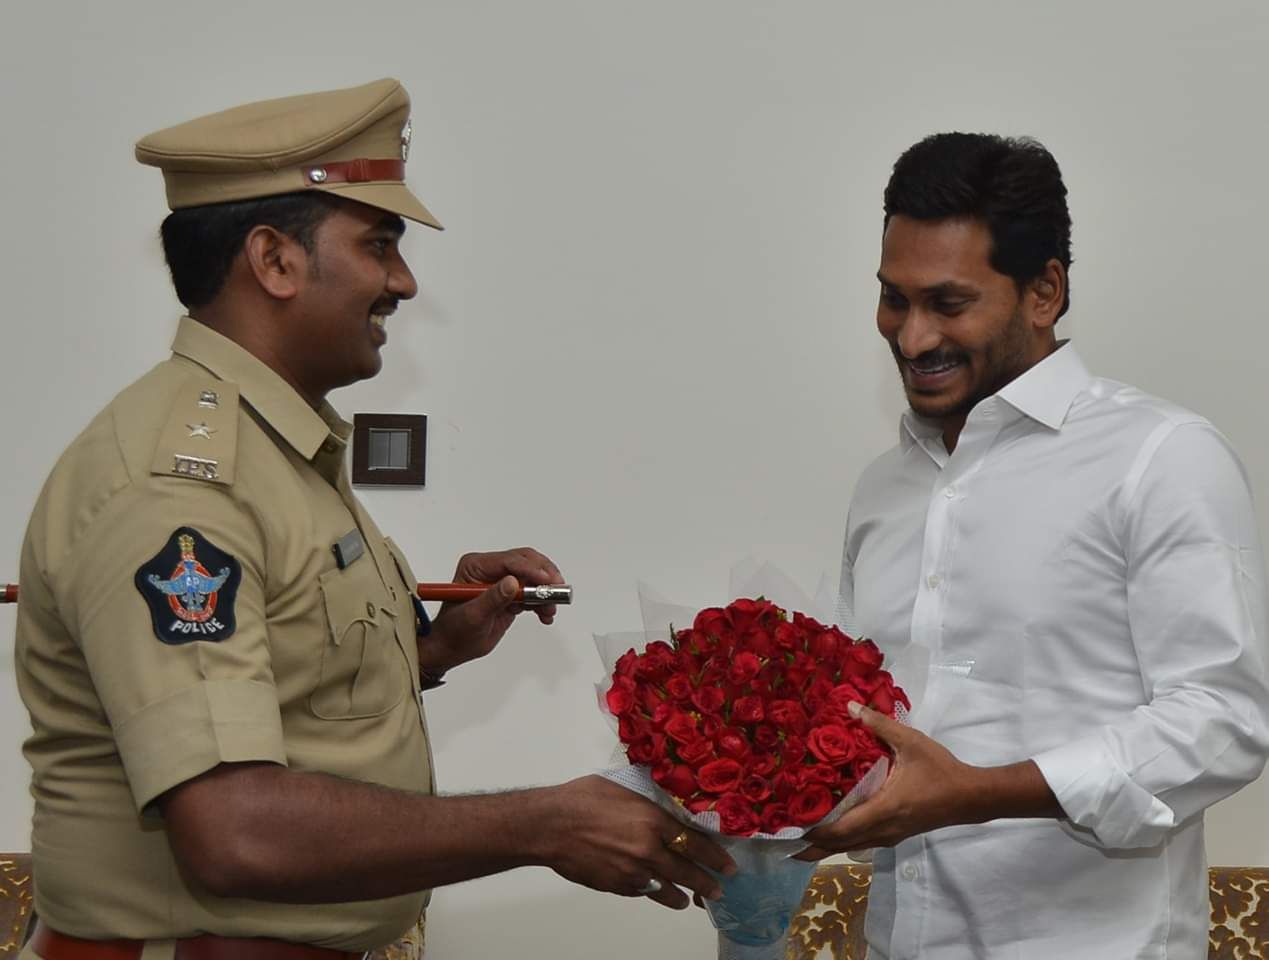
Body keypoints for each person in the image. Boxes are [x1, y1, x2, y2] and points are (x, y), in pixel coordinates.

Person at [14, 78, 734, 960]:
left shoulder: (275, 450)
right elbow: (233, 830)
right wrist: (542, 824)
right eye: (380, 244)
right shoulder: (180, 487)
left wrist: (434, 649)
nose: (402, 280)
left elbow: (279, 688)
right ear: (274, 261)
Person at [802, 132, 1269, 958]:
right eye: (892, 298)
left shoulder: (1160, 458)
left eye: (947, 304)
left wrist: (979, 794)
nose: (910, 339)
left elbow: (1222, 724)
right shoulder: (884, 487)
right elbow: (867, 719)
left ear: (1043, 291)